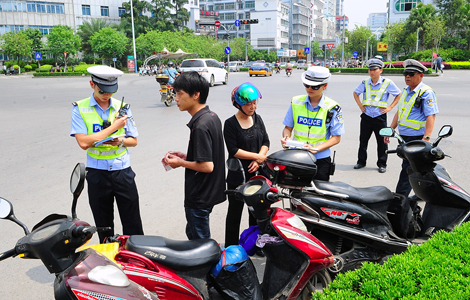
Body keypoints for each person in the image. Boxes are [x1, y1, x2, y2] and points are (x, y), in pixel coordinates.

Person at [70, 65, 144, 243]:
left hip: (122, 172)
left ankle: (137, 262)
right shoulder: (79, 108)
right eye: (102, 90)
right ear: (92, 84)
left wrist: (120, 141)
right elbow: (83, 142)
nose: (107, 95)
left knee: (133, 223)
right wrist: (114, 128)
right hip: (97, 174)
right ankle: (109, 262)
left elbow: (134, 140)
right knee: (104, 226)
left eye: (111, 90)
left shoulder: (123, 107)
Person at [163, 71, 225, 240]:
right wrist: (185, 156)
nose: (176, 98)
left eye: (179, 94)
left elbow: (207, 166)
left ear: (196, 95)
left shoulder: (200, 126)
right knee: (194, 234)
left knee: (200, 244)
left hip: (199, 195)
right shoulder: (211, 117)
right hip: (209, 192)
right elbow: (208, 154)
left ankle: (207, 267)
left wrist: (180, 163)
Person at [224, 82, 270, 247]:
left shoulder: (258, 118)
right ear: (238, 104)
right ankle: (231, 247)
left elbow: (266, 141)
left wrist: (259, 160)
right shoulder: (230, 124)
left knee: (257, 212)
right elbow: (234, 150)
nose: (252, 106)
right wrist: (258, 156)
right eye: (248, 104)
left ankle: (256, 244)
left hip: (257, 175)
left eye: (254, 102)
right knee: (234, 213)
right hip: (238, 175)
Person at [281, 66, 344, 181]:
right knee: (295, 194)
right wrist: (286, 138)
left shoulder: (333, 107)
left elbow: (336, 138)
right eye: (306, 85)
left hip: (320, 160)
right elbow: (288, 128)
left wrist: (317, 149)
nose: (310, 88)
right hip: (297, 157)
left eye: (315, 86)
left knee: (318, 195)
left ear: (325, 86)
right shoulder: (296, 102)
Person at [387, 59, 439, 197]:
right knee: (419, 168)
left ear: (421, 75)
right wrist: (391, 129)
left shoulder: (426, 93)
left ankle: (399, 199)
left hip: (417, 138)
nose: (407, 77)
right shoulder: (405, 91)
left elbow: (431, 116)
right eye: (405, 74)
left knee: (409, 168)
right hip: (403, 137)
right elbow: (400, 112)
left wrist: (426, 138)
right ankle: (429, 192)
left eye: (411, 74)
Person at [353, 58, 401, 173]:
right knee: (363, 141)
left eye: (374, 69)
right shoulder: (365, 82)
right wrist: (360, 105)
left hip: (379, 117)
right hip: (367, 116)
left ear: (381, 70)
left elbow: (398, 94)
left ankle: (382, 163)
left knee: (382, 142)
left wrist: (390, 107)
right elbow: (355, 93)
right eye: (370, 69)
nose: (372, 72)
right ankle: (361, 161)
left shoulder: (387, 83)